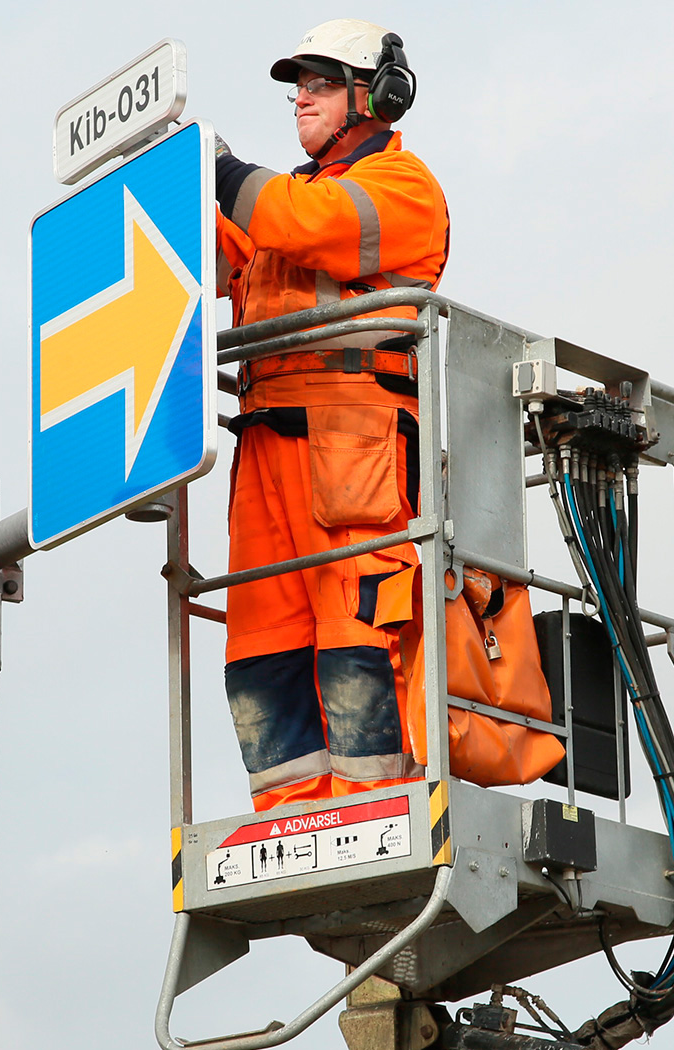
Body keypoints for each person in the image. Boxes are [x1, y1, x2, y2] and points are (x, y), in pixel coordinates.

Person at [213, 20, 450, 810]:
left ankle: (381, 811)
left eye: (318, 84)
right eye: (297, 86)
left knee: (359, 634)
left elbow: (297, 223)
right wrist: (158, 181)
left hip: (355, 453)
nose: (299, 100)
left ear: (373, 96)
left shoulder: (402, 187)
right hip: (268, 454)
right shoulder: (285, 198)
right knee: (261, 646)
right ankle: (292, 818)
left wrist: (218, 168)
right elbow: (205, 253)